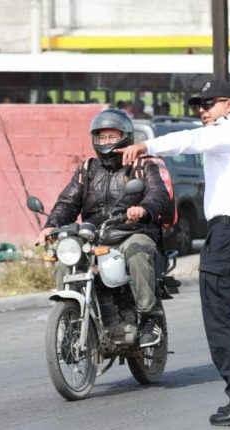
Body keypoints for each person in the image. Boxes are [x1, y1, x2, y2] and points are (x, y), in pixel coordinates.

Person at [116, 79, 230, 426]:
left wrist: (147, 145)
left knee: (224, 321)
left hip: (229, 235)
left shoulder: (229, 131)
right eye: (199, 107)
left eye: (209, 105)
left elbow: (190, 140)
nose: (202, 112)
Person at [36, 108, 169, 347]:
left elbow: (158, 194)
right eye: (102, 137)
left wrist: (143, 209)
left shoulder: (142, 166)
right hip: (94, 237)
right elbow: (68, 201)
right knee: (65, 259)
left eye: (112, 137)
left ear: (125, 137)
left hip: (130, 233)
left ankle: (150, 319)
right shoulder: (87, 170)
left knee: (139, 251)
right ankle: (72, 320)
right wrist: (51, 225)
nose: (107, 142)